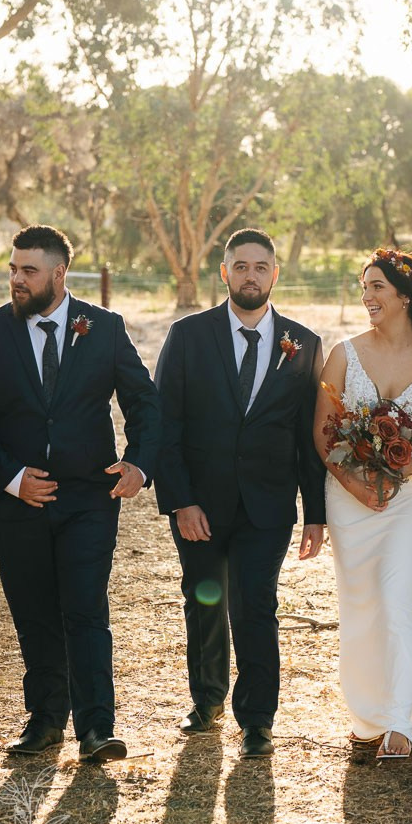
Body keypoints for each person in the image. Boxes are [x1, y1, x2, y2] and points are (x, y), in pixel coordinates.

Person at [0, 224, 161, 764]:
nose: (17, 280)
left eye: (29, 270)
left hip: (88, 498)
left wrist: (140, 462)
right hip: (14, 503)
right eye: (13, 269)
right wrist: (10, 477)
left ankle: (97, 728)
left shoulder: (104, 328)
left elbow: (144, 401)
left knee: (85, 609)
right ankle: (46, 721)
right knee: (34, 612)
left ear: (59, 273)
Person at [153, 228, 326, 759]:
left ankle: (257, 720)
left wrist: (315, 513)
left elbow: (308, 436)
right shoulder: (188, 336)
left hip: (267, 506)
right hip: (200, 506)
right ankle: (206, 701)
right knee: (203, 602)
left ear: (275, 274)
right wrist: (181, 501)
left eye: (261, 266)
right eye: (241, 266)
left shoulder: (304, 343)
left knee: (256, 606)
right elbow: (165, 424)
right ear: (224, 272)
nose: (251, 275)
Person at [314, 248, 412, 761]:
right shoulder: (343, 353)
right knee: (360, 604)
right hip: (348, 498)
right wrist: (358, 484)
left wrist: (393, 474)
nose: (367, 296)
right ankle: (369, 715)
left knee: (396, 599)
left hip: (408, 499)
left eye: (377, 286)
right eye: (363, 287)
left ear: (405, 296)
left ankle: (401, 721)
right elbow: (323, 434)